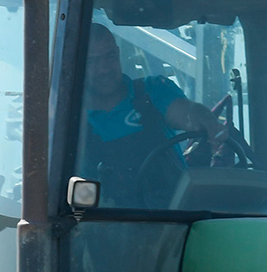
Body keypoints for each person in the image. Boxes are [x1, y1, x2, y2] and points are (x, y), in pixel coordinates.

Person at [79, 40, 245, 199]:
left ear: (118, 53)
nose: (104, 68)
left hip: (173, 216)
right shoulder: (70, 116)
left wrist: (206, 121)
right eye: (92, 61)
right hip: (102, 221)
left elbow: (185, 111)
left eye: (110, 56)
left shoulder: (153, 90)